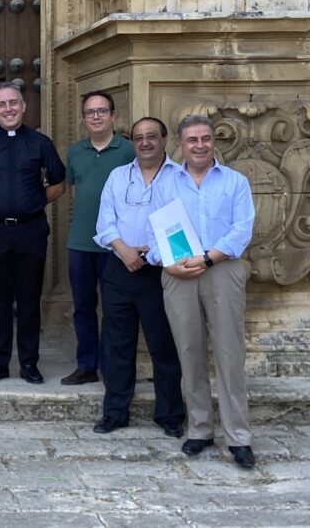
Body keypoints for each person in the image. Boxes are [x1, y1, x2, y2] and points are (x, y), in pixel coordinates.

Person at [146, 114, 256, 468]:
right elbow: (155, 230)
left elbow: (242, 230)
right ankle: (199, 429)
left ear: (214, 141)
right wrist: (167, 262)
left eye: (205, 138)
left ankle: (238, 436)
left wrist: (208, 258)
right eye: (192, 139)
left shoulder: (235, 182)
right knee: (189, 351)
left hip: (222, 270)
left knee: (229, 353)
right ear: (180, 143)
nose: (199, 145)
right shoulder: (166, 183)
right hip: (178, 274)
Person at [0, 82, 65, 384]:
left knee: (29, 299)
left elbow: (59, 183)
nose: (8, 109)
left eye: (13, 103)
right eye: (1, 104)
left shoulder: (40, 143)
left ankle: (29, 364)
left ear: (23, 106)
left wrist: (31, 203)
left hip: (31, 231)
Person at [91, 117, 185, 437]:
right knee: (117, 345)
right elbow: (105, 223)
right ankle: (115, 413)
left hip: (161, 271)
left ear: (164, 139)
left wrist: (151, 253)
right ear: (133, 142)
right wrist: (124, 250)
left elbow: (182, 226)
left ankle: (170, 415)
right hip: (120, 267)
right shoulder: (118, 177)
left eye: (151, 137)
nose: (145, 143)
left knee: (164, 347)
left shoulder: (179, 178)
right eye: (138, 138)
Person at [61, 91, 134, 385]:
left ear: (113, 116)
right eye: (90, 112)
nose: (96, 116)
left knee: (116, 309)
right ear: (82, 119)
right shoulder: (76, 152)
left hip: (117, 245)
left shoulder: (128, 151)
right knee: (83, 306)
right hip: (80, 243)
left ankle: (111, 367)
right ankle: (87, 365)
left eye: (102, 111)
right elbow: (73, 190)